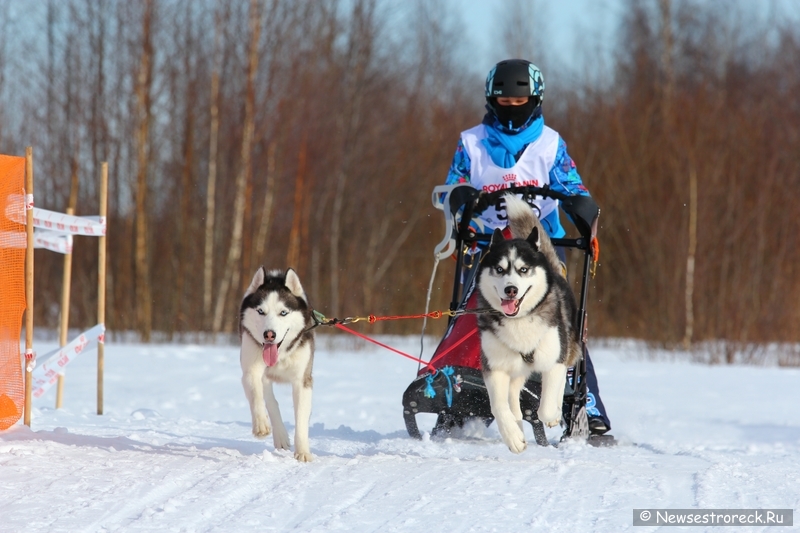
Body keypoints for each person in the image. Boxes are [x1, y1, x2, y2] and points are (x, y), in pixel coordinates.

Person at [444, 59, 612, 437]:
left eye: (520, 102)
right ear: (492, 100)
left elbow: (574, 190)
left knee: (561, 324)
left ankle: (586, 402)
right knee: (475, 320)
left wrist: (588, 222)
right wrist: (462, 222)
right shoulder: (471, 142)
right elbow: (454, 190)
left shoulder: (550, 143)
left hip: (542, 251)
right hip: (490, 251)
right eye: (505, 102)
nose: (512, 109)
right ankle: (459, 395)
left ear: (535, 100)